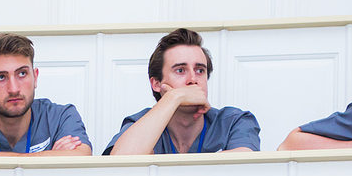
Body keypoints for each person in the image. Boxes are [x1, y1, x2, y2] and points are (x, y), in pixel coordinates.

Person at [103, 28, 259, 156]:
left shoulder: (233, 121)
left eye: (200, 70)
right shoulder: (140, 123)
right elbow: (121, 163)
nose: (193, 79)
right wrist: (174, 97)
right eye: (180, 70)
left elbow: (244, 164)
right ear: (156, 84)